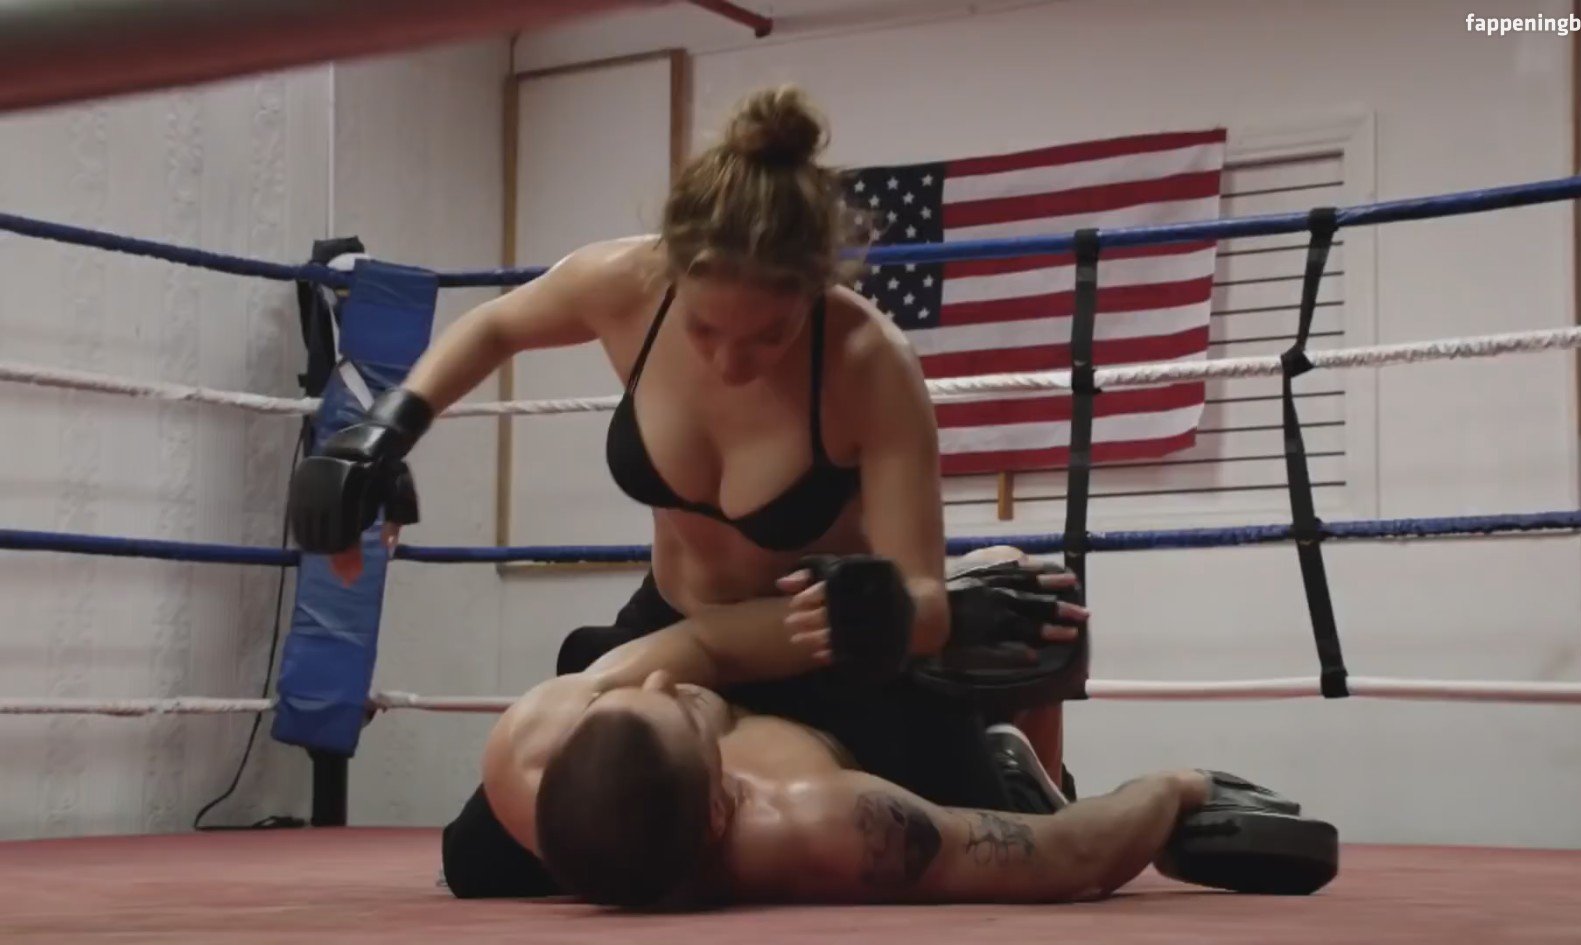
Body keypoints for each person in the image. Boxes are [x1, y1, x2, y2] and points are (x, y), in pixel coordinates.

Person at [287, 86, 1082, 778]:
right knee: (493, 858)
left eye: (768, 335)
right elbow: (497, 325)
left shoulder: (870, 363)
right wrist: (387, 428)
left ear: (814, 291)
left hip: (812, 648)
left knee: (927, 848)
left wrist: (896, 613)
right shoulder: (626, 284)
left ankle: (1004, 760)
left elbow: (924, 602)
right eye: (705, 328)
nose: (731, 361)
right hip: (671, 624)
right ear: (670, 266)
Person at [448, 619, 1339, 909]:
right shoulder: (822, 822)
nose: (658, 683)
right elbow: (1066, 857)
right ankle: (1008, 759)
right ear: (722, 805)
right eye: (677, 707)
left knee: (471, 858)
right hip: (863, 723)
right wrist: (1174, 787)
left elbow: (699, 646)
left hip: (770, 642)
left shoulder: (530, 746)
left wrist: (907, 606)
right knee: (995, 679)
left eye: (630, 697)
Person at [441, 547, 1090, 899]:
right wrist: (401, 421)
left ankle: (1024, 774)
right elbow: (703, 642)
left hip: (826, 623)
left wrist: (924, 607)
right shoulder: (659, 347)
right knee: (475, 859)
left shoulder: (861, 371)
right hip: (693, 621)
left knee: (1022, 605)